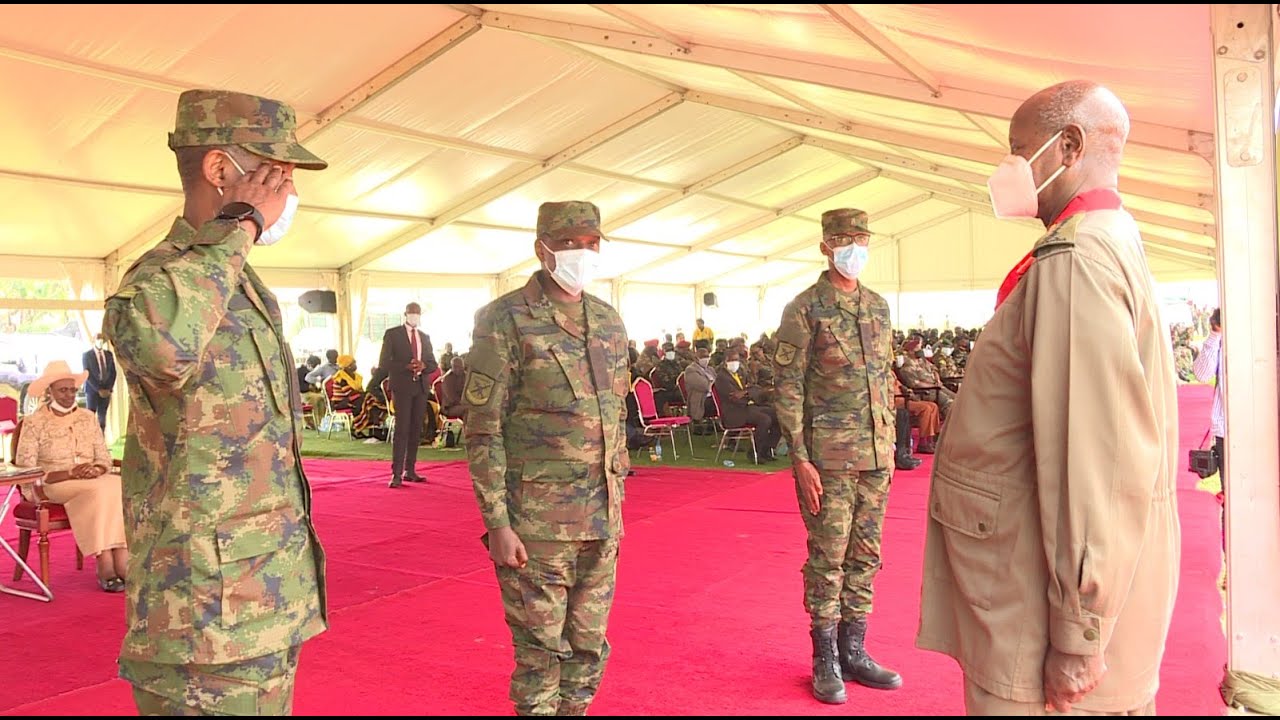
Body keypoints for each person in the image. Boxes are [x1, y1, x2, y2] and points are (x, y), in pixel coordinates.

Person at [916, 80, 1180, 716]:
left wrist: (1078, 634)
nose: (1007, 167)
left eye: (1017, 149)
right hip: (1053, 584)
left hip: (1037, 603)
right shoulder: (1110, 237)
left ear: (1068, 146)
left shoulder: (1075, 257)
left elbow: (1091, 458)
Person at [103, 89, 328, 716]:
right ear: (221, 171)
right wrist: (242, 224)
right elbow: (163, 348)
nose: (287, 193)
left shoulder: (236, 279)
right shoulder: (161, 279)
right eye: (274, 175)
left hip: (261, 605)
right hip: (201, 619)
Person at [464, 200, 630, 716]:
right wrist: (497, 523)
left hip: (602, 520)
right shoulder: (505, 320)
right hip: (536, 526)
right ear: (542, 250)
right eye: (569, 244)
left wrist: (618, 510)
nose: (583, 253)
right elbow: (483, 430)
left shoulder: (607, 319)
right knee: (541, 654)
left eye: (591, 243)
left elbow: (614, 420)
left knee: (588, 646)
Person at [773, 208, 901, 704]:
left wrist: (889, 446)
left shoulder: (877, 307)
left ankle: (855, 650)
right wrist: (800, 459)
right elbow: (788, 387)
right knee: (828, 557)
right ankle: (824, 656)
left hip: (874, 455)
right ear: (825, 246)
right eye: (844, 239)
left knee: (866, 555)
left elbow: (882, 380)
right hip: (827, 458)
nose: (854, 247)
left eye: (861, 237)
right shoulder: (805, 308)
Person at [15, 361, 129, 592]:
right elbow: (26, 467)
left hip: (91, 481)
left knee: (116, 484)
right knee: (101, 490)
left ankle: (120, 557)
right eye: (62, 390)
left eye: (72, 390)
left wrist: (95, 469)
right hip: (54, 484)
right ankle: (106, 563)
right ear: (50, 391)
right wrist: (69, 473)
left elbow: (104, 458)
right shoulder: (35, 422)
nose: (68, 395)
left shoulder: (87, 417)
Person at [379, 302, 437, 488]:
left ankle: (410, 470)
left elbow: (433, 363)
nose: (415, 316)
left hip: (420, 387)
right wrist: (405, 366)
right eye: (412, 313)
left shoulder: (424, 337)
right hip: (402, 386)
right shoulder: (393, 334)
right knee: (402, 429)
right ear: (405, 314)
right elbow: (384, 362)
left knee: (415, 429)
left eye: (418, 313)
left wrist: (424, 366)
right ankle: (396, 473)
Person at [714, 348, 781, 462]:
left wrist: (746, 392)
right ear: (726, 360)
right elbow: (735, 399)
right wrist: (749, 394)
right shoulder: (722, 378)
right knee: (764, 420)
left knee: (778, 416)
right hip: (734, 412)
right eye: (732, 360)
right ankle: (754, 452)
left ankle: (767, 449)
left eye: (737, 360)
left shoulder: (741, 373)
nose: (735, 362)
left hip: (748, 407)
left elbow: (754, 388)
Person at [1193, 308, 1225, 549]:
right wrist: (1215, 335)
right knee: (1231, 500)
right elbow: (1202, 373)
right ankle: (1233, 557)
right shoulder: (1219, 340)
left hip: (1262, 430)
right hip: (1226, 431)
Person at [82, 333, 117, 432]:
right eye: (98, 339)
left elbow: (113, 372)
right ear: (93, 340)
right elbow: (87, 373)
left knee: (102, 415)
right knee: (90, 416)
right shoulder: (87, 355)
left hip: (106, 390)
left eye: (102, 339)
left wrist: (109, 388)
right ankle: (89, 440)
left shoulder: (109, 354)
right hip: (92, 390)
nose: (100, 341)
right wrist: (98, 389)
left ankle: (102, 440)